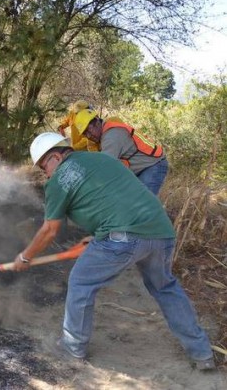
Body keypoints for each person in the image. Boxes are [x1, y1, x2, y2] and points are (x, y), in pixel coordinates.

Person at [12, 132, 215, 370]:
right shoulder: (103, 160)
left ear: (55, 157)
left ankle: (72, 348)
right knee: (165, 287)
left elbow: (49, 230)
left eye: (43, 166)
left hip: (123, 238)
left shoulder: (60, 179)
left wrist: (25, 256)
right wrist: (99, 235)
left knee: (81, 282)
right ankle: (202, 354)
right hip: (161, 231)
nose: (45, 173)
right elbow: (116, 201)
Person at [74, 109, 169, 195]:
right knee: (133, 202)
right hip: (141, 168)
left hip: (152, 165)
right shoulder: (105, 134)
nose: (89, 136)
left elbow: (105, 166)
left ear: (97, 122)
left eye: (89, 130)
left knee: (144, 204)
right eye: (85, 134)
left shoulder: (111, 136)